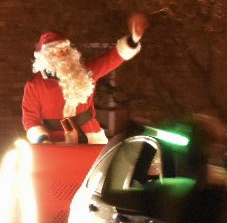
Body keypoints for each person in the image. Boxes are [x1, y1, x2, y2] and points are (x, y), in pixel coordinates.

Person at [21, 12, 148, 144]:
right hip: (53, 143)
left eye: (64, 49)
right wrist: (43, 139)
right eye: (55, 51)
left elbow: (111, 59)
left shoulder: (85, 72)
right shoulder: (35, 85)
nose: (62, 54)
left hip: (90, 138)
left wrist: (133, 40)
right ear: (45, 57)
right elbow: (30, 119)